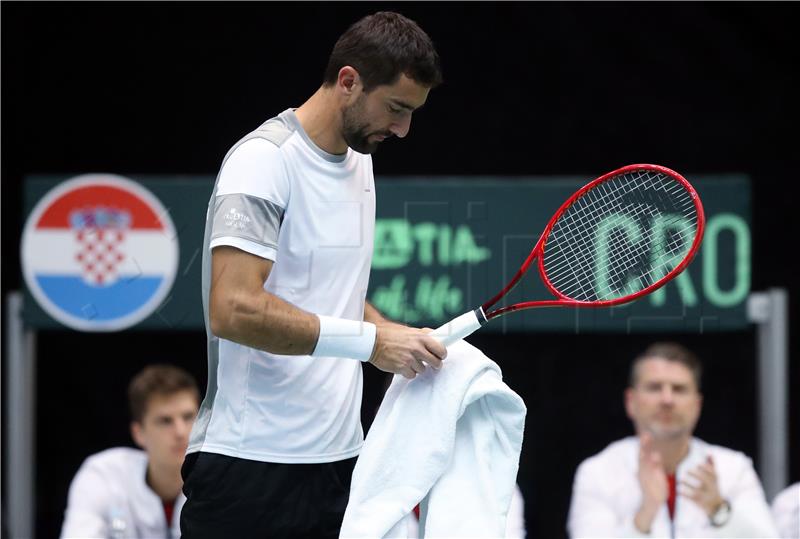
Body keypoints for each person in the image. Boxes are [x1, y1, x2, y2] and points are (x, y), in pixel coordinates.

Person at [180, 11, 445, 538]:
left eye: (412, 113)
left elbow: (333, 292)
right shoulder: (263, 161)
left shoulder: (360, 161)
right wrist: (371, 343)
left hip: (339, 468)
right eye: (396, 108)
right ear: (349, 81)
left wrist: (395, 336)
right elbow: (232, 308)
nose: (403, 129)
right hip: (248, 470)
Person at [566, 342, 779, 538]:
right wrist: (646, 513)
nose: (667, 400)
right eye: (654, 387)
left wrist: (718, 510)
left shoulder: (733, 468)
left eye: (679, 389)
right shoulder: (597, 471)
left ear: (697, 405)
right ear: (631, 401)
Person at [60, 365, 200, 539]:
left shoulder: (221, 482)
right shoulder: (103, 475)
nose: (180, 432)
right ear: (138, 433)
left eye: (188, 417)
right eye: (165, 421)